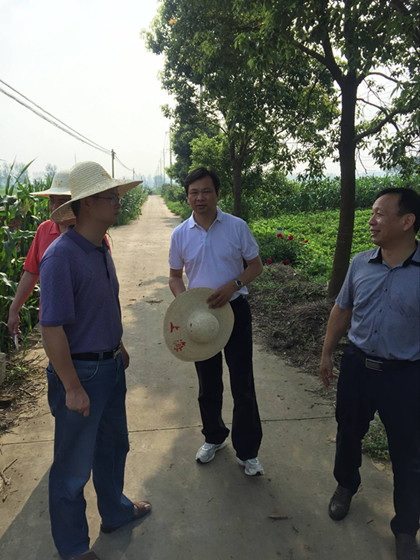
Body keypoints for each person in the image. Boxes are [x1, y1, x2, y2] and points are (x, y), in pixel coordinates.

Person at [39, 161, 150, 560]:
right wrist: (71, 386)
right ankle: (73, 548)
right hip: (81, 373)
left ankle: (116, 512)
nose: (119, 202)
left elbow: (100, 305)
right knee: (72, 469)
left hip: (110, 366)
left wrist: (116, 344)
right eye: (111, 197)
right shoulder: (61, 257)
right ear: (87, 204)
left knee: (114, 446)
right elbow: (51, 328)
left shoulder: (101, 247)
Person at [319, 188, 420, 560]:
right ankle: (346, 484)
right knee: (348, 432)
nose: (371, 220)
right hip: (357, 367)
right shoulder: (361, 263)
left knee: (408, 454)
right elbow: (342, 309)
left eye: (379, 213)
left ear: (407, 221)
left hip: (405, 376)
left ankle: (406, 528)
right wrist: (327, 352)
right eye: (371, 212)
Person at [168, 167, 264, 476]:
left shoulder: (236, 227)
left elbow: (256, 266)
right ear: (187, 197)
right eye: (194, 192)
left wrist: (233, 285)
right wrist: (185, 305)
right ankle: (214, 437)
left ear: (217, 194)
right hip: (199, 321)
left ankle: (248, 451)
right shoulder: (180, 234)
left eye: (206, 191)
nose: (200, 198)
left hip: (235, 313)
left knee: (243, 384)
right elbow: (174, 276)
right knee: (208, 385)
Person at [7, 170, 72, 338]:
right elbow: (31, 272)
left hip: (84, 324)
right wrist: (14, 309)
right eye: (52, 200)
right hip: (51, 321)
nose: (54, 207)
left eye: (62, 201)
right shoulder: (44, 230)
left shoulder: (91, 234)